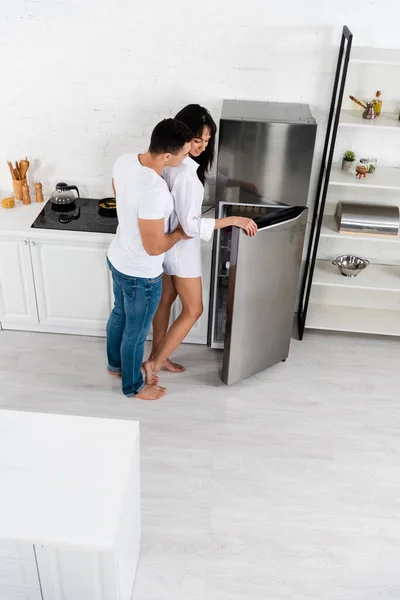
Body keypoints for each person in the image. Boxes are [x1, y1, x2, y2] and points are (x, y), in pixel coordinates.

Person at [144, 105, 257, 384]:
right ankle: (155, 364)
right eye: (197, 140)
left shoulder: (170, 163)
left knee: (165, 301)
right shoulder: (187, 175)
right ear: (183, 134)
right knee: (194, 309)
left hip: (165, 244)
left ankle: (159, 354)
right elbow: (192, 226)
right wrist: (234, 219)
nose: (202, 146)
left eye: (207, 141)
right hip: (181, 249)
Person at [106, 118, 193, 400]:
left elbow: (118, 190)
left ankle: (114, 366)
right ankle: (133, 387)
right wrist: (180, 233)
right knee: (136, 331)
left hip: (118, 257)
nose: (187, 155)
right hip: (140, 273)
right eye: (184, 152)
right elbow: (155, 247)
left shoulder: (124, 161)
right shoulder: (155, 190)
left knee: (119, 314)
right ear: (168, 156)